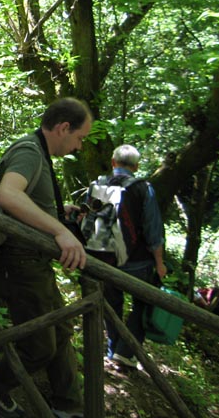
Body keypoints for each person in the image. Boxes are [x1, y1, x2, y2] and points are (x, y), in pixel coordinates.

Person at [0, 98, 90, 418]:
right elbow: (8, 194)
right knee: (39, 346)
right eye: (80, 137)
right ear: (63, 128)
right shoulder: (28, 150)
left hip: (33, 262)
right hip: (20, 263)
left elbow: (26, 197)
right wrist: (60, 231)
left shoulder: (37, 151)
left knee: (62, 331)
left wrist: (58, 213)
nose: (80, 147)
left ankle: (70, 406)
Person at [96, 144, 166, 370]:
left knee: (111, 304)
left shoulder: (98, 184)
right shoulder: (144, 189)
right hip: (137, 262)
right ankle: (124, 352)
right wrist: (160, 263)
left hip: (104, 259)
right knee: (144, 304)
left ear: (113, 162)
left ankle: (113, 348)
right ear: (136, 166)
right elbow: (153, 231)